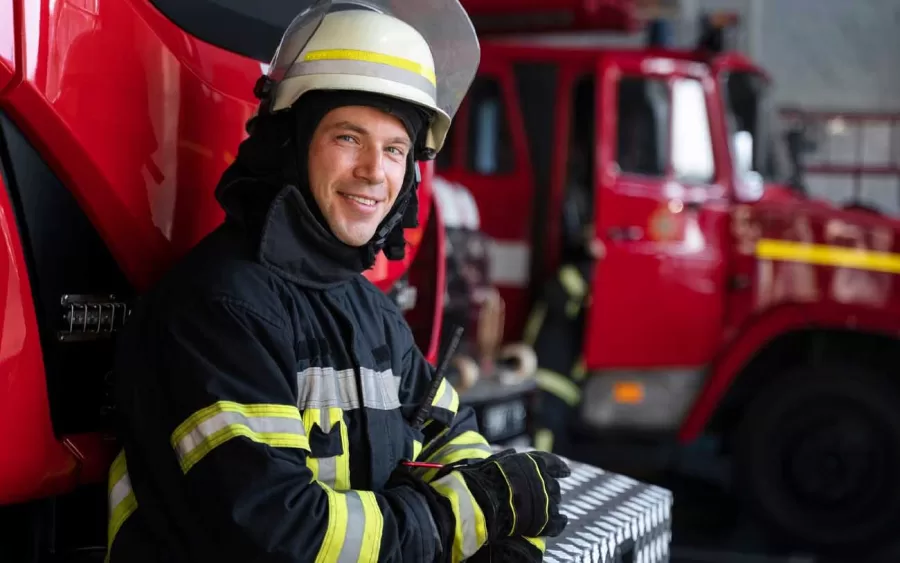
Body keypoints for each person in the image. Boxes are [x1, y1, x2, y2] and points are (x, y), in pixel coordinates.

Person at [104, 1, 570, 562]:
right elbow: (281, 535)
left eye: (395, 149)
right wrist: (464, 520)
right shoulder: (220, 311)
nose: (375, 170)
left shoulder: (371, 315)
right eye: (349, 137)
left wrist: (494, 526)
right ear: (291, 147)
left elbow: (456, 439)